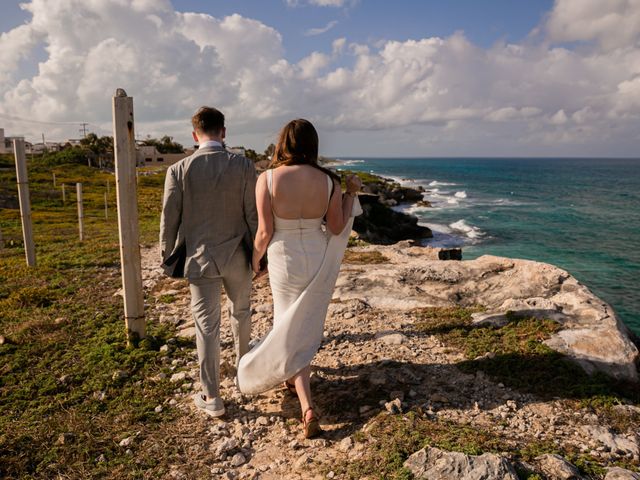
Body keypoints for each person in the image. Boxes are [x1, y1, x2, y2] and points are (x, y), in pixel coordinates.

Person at [236, 118, 362, 438]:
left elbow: (264, 232)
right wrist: (351, 194)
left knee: (287, 324)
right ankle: (294, 379)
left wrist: (255, 258)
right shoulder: (329, 181)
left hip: (284, 257)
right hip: (316, 255)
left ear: (283, 144)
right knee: (303, 325)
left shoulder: (268, 179)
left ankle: (306, 405)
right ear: (312, 145)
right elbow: (335, 227)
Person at [160, 106, 258, 418]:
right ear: (224, 132)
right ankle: (246, 378)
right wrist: (260, 255)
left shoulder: (178, 170)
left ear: (194, 135)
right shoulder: (243, 165)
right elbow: (252, 215)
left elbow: (169, 219)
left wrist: (167, 256)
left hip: (200, 260)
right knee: (241, 313)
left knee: (206, 327)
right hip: (238, 256)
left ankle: (212, 395)